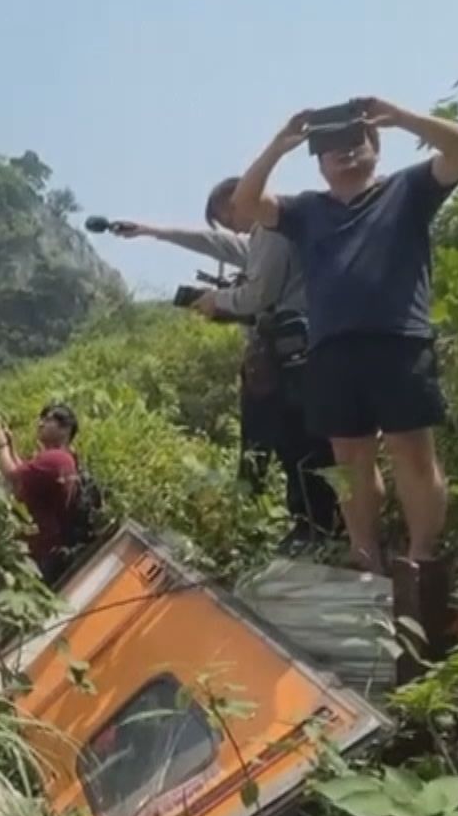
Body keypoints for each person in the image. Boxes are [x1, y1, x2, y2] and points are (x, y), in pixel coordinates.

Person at [231, 97, 458, 581]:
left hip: (399, 341)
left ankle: (422, 559)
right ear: (320, 163)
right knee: (349, 460)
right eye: (331, 148)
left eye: (355, 142)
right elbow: (244, 206)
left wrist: (401, 116)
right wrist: (281, 143)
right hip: (330, 350)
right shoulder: (306, 210)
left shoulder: (408, 189)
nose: (344, 152)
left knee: (412, 451)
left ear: (375, 147)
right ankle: (365, 556)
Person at [111, 178, 341, 547]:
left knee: (297, 443)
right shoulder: (269, 230)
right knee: (295, 443)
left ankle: (316, 527)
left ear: (241, 200)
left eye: (227, 216)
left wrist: (217, 301)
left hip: (295, 355)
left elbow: (257, 295)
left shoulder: (272, 228)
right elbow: (215, 243)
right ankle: (314, 524)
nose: (231, 227)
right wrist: (151, 231)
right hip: (297, 350)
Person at [0, 404, 86, 579]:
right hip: (46, 543)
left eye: (48, 420)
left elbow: (13, 475)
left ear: (65, 429)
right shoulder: (64, 458)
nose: (41, 424)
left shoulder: (54, 458)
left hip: (38, 548)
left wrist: (2, 446)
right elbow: (25, 472)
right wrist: (11, 448)